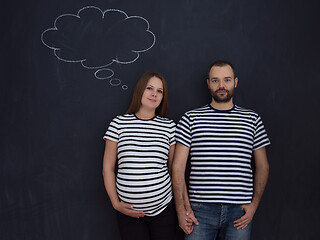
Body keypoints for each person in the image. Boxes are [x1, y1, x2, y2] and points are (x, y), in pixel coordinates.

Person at [172, 60, 270, 240]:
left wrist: (254, 205)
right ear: (208, 84)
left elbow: (263, 166)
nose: (221, 86)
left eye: (227, 80)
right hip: (200, 211)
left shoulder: (252, 119)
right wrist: (181, 210)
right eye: (215, 80)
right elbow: (177, 167)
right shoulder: (191, 118)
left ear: (235, 82)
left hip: (239, 212)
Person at [102, 71, 177, 240]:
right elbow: (107, 169)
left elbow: (175, 170)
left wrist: (182, 205)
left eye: (159, 91)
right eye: (150, 88)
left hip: (163, 210)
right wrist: (116, 204)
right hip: (129, 214)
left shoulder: (169, 126)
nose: (154, 94)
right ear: (140, 90)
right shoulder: (119, 123)